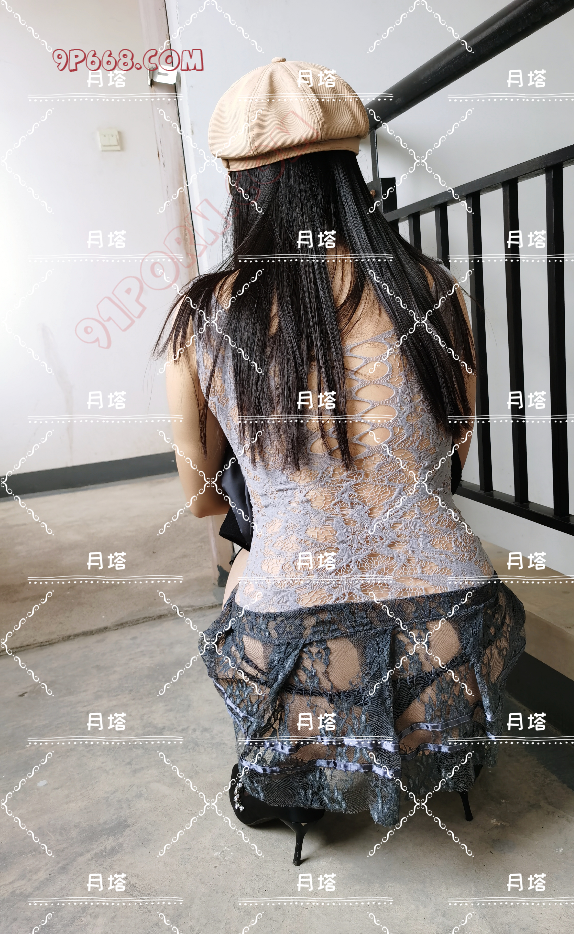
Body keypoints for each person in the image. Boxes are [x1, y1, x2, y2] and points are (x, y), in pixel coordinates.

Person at [156, 57, 526, 865]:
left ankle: (303, 763)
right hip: (459, 634)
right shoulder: (435, 291)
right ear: (351, 170)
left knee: (249, 565)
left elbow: (202, 501)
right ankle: (435, 743)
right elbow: (454, 451)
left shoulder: (209, 314)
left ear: (242, 183)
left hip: (291, 645)